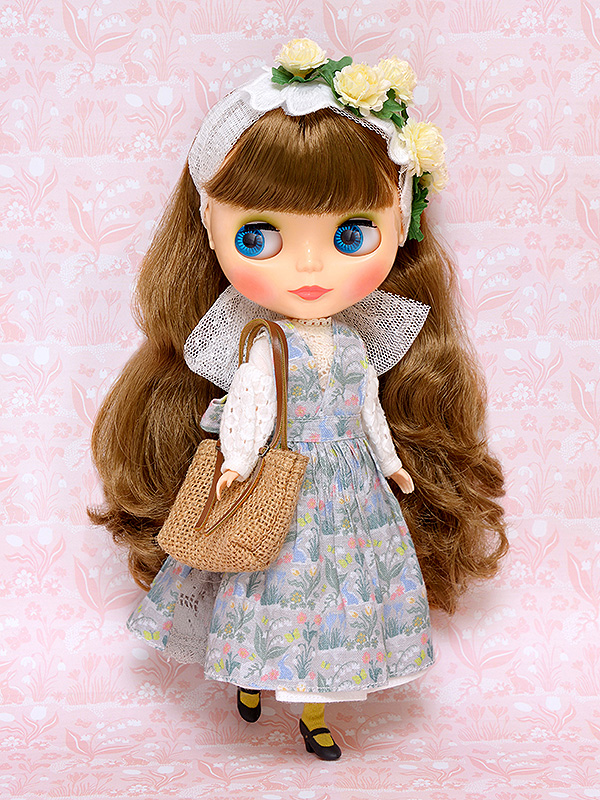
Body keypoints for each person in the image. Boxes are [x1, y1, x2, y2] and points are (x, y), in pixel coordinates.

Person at [89, 40, 507, 761]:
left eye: (351, 234)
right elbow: (249, 409)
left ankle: (314, 711)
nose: (309, 265)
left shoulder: (355, 342)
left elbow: (368, 408)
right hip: (280, 479)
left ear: (399, 226)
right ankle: (251, 678)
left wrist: (390, 464)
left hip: (351, 489)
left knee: (330, 604)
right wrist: (235, 463)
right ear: (210, 228)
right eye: (259, 236)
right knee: (273, 584)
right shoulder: (262, 342)